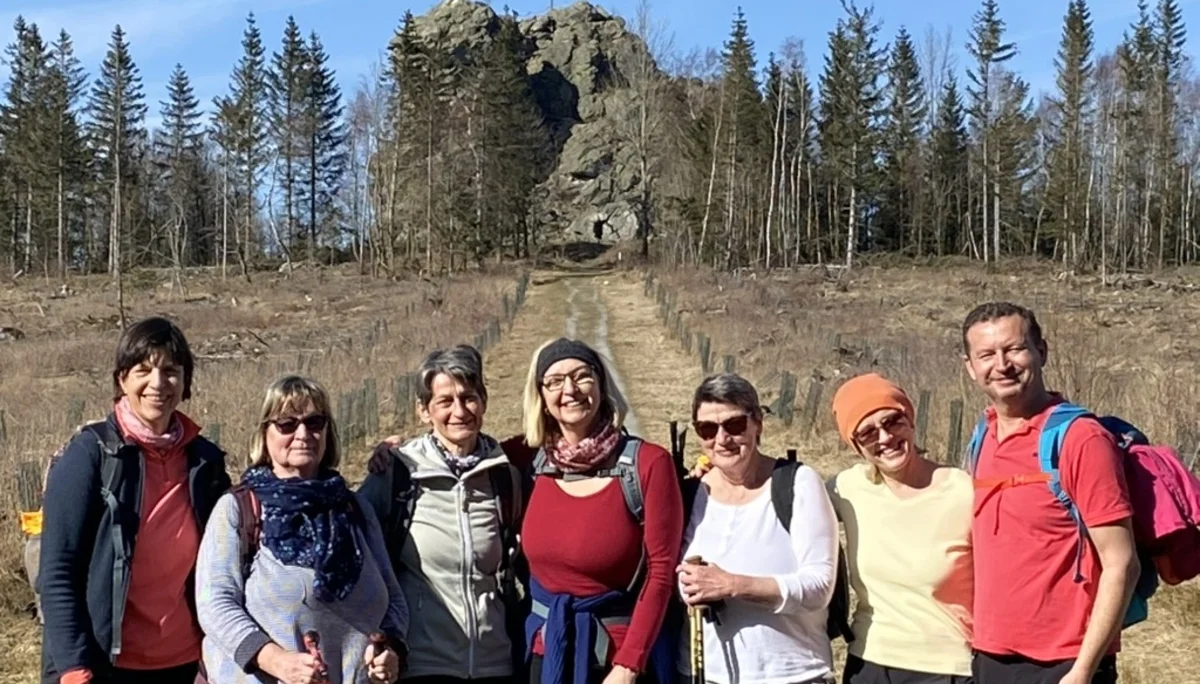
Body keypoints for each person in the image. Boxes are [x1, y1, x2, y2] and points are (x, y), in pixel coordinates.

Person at [39, 316, 232, 684]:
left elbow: (227, 560)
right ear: (122, 380)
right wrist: (72, 666)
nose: (158, 383)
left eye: (171, 371)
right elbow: (57, 571)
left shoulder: (205, 462)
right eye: (143, 370)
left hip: (184, 662)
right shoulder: (91, 455)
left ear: (185, 382)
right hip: (103, 664)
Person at [960, 302, 1139, 684]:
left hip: (1065, 662)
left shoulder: (1081, 439)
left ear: (1041, 352)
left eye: (1014, 349)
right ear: (970, 367)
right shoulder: (983, 435)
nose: (1002, 365)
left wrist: (1083, 671)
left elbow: (1122, 563)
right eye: (987, 355)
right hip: (990, 655)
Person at [195, 375, 408, 684]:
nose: (303, 433)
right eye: (287, 424)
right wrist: (275, 661)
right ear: (264, 433)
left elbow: (395, 601)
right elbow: (214, 604)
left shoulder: (355, 509)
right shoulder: (240, 509)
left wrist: (390, 649)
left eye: (315, 422)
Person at [517, 337, 683, 684]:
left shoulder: (648, 463)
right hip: (545, 653)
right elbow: (463, 448)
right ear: (541, 397)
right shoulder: (527, 462)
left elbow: (661, 571)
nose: (570, 390)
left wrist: (629, 665)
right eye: (555, 381)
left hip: (616, 660)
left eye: (582, 376)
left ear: (601, 384)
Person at [358, 345, 527, 684]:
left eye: (469, 398)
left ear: (484, 401)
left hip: (494, 663)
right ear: (424, 410)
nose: (459, 411)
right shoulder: (398, 472)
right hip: (421, 664)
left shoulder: (505, 475)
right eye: (445, 401)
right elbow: (353, 543)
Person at [677, 373, 839, 684]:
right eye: (708, 429)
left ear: (758, 423)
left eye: (735, 425)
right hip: (702, 674)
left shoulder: (797, 484)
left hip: (792, 676)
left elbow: (819, 587)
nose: (722, 439)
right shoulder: (691, 493)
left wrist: (732, 585)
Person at [827, 372, 974, 684]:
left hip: (947, 668)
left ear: (910, 420)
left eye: (892, 421)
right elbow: (781, 505)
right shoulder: (848, 488)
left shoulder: (963, 491)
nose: (884, 437)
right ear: (855, 445)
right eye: (867, 432)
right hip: (868, 663)